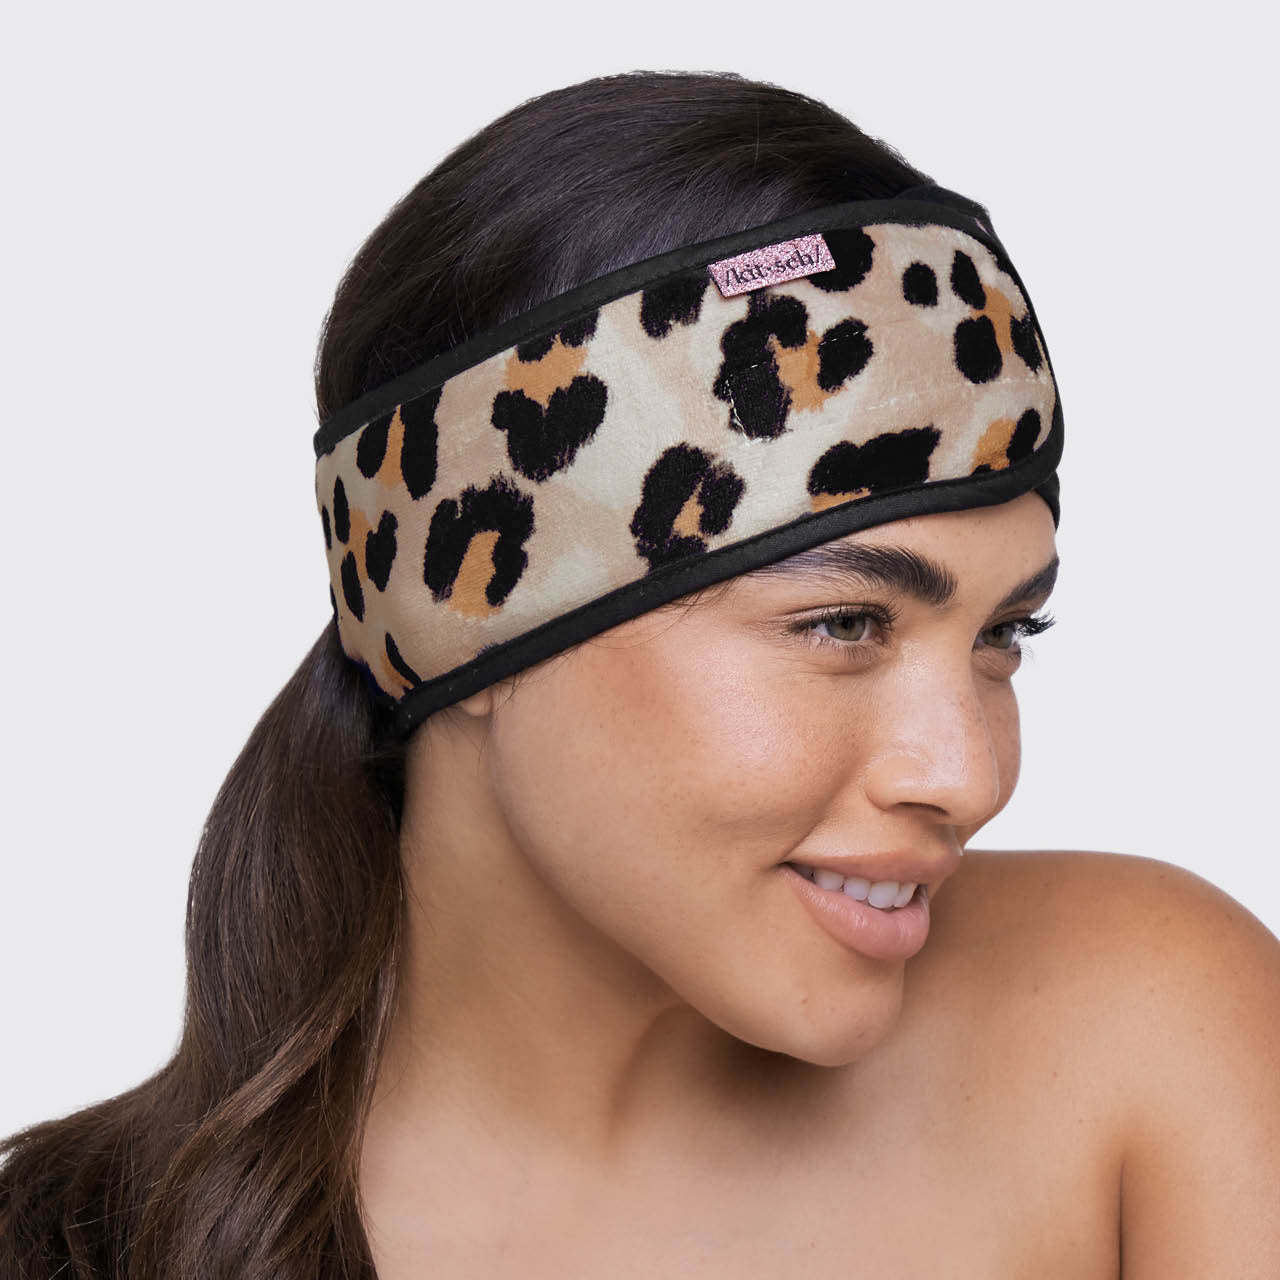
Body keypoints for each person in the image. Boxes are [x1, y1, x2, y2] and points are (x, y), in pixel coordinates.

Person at [3, 69, 1278, 1280]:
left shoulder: (1141, 1029)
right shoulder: (84, 1240)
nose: (969, 775)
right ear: (466, 620)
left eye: (1003, 633)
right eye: (840, 623)